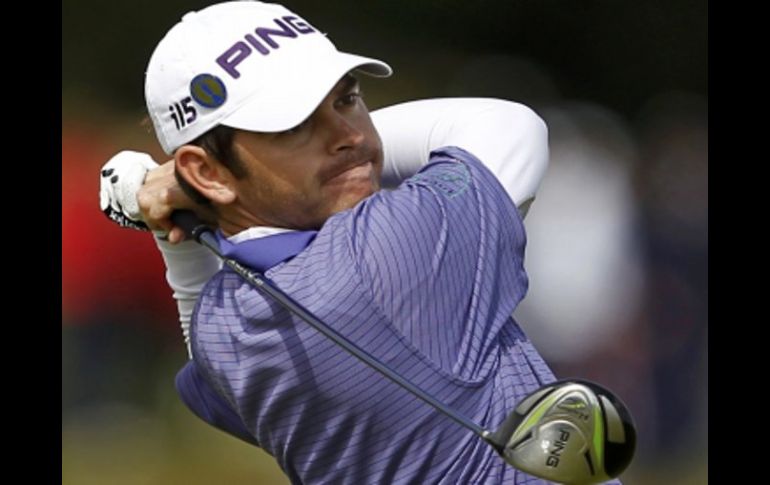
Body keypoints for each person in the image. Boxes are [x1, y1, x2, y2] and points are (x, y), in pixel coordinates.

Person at [99, 1, 621, 483]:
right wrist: (179, 183)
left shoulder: (225, 320)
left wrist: (183, 227)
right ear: (207, 172)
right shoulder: (386, 256)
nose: (349, 134)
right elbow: (510, 125)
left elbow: (207, 364)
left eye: (347, 99)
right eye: (296, 124)